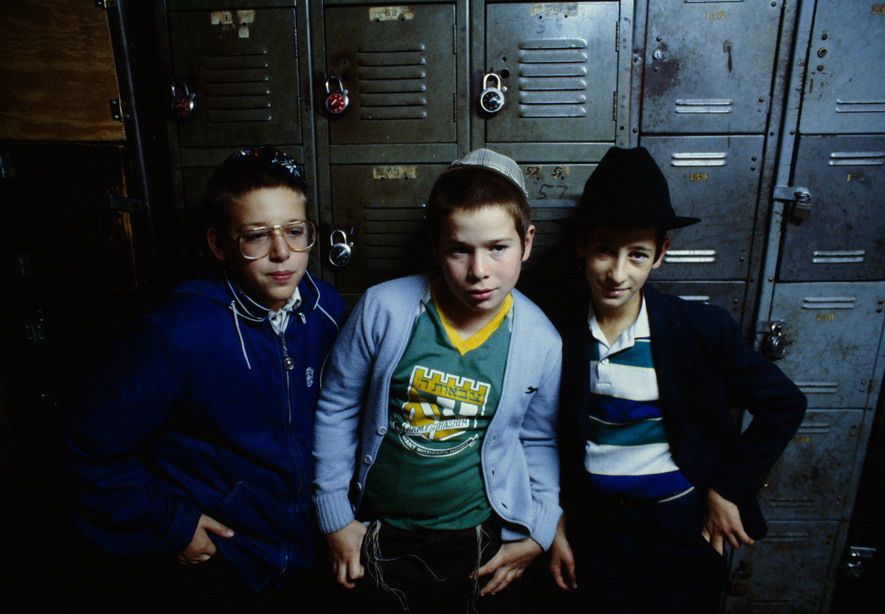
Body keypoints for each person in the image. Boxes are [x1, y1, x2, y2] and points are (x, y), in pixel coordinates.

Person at [51, 146, 345, 613]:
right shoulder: (177, 333)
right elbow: (83, 444)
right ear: (219, 244)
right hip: (225, 560)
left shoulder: (327, 308)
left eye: (295, 231)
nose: (282, 252)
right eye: (255, 236)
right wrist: (170, 524)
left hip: (310, 554)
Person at [545, 146, 807, 613]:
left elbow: (784, 403)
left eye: (637, 254)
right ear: (581, 244)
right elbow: (541, 436)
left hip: (682, 529)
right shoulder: (553, 333)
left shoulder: (701, 330)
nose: (618, 273)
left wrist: (728, 487)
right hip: (595, 531)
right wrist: (555, 523)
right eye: (605, 249)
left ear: (661, 255)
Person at [312, 149, 562, 613]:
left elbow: (538, 438)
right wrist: (334, 518)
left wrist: (540, 530)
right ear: (435, 246)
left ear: (527, 242)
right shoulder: (384, 308)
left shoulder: (540, 341)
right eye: (459, 250)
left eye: (498, 248)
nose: (479, 271)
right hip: (377, 531)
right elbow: (337, 406)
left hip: (476, 539)